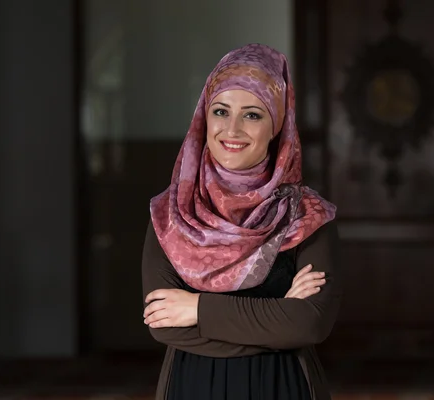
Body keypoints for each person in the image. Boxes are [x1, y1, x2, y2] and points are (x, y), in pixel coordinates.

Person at [141, 43, 341, 400]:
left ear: (276, 126)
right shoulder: (170, 213)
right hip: (191, 386)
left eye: (252, 115)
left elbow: (310, 322)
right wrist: (277, 321)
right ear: (205, 117)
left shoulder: (306, 214)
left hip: (283, 387)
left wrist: (197, 308)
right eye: (221, 111)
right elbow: (162, 324)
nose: (231, 130)